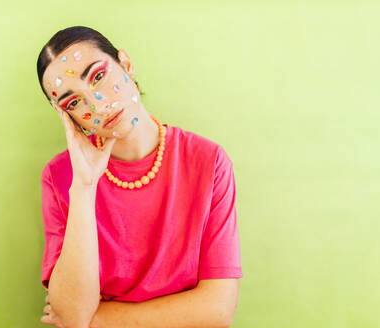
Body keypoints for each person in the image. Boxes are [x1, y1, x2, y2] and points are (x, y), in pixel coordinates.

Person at [37, 26, 243, 328]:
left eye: (97, 76)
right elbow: (73, 314)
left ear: (126, 65)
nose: (97, 104)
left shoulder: (207, 161)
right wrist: (84, 186)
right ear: (69, 118)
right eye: (74, 102)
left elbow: (218, 310)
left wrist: (100, 321)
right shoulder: (60, 177)